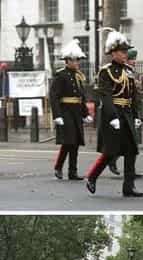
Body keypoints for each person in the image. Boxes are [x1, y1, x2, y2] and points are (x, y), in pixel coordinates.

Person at [84, 30, 143, 197]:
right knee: (111, 151)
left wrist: (137, 116)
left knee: (131, 151)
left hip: (127, 113)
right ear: (113, 52)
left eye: (126, 52)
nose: (125, 55)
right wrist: (113, 117)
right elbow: (106, 96)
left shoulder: (129, 71)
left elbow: (132, 96)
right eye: (122, 52)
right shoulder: (106, 71)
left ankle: (129, 187)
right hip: (113, 114)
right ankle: (92, 176)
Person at [49, 39, 92, 181]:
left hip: (76, 113)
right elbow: (54, 97)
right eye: (74, 60)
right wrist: (57, 115)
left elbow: (81, 97)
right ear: (67, 61)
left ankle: (72, 172)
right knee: (68, 142)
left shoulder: (78, 76)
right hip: (65, 112)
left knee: (76, 143)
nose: (77, 63)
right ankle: (58, 167)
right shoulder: (61, 75)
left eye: (78, 60)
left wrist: (85, 113)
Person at [126, 48, 143, 179]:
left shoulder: (135, 73)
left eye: (134, 59)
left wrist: (139, 114)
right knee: (126, 142)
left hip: (135, 108)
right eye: (131, 59)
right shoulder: (123, 72)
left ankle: (132, 170)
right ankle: (112, 161)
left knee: (135, 142)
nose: (134, 61)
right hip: (126, 110)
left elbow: (138, 95)